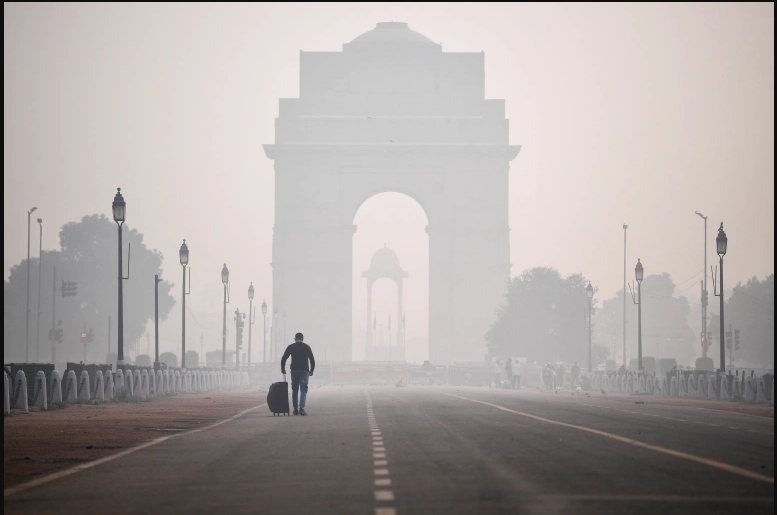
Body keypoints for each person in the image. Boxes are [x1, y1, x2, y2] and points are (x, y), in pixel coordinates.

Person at [281, 332, 316, 416]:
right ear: (302, 339)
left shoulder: (291, 347)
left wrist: (283, 369)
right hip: (304, 371)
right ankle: (302, 408)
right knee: (303, 389)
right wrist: (312, 370)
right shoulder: (307, 347)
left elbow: (284, 358)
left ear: (295, 339)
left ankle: (295, 409)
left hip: (294, 371)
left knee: (295, 390)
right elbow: (312, 359)